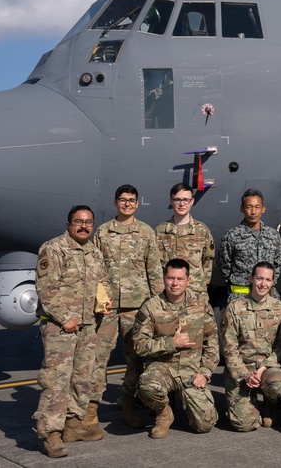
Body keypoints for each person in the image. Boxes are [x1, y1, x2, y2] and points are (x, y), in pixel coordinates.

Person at [32, 205, 111, 458]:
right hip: (60, 328)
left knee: (82, 378)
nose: (84, 226)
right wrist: (65, 318)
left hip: (88, 325)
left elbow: (102, 282)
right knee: (57, 380)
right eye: (78, 221)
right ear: (68, 224)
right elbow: (46, 288)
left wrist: (104, 301)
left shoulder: (95, 253)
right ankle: (50, 433)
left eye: (88, 222)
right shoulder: (53, 248)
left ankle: (74, 425)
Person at [91, 184, 160, 430]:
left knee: (135, 360)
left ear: (137, 203)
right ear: (115, 202)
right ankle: (91, 412)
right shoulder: (101, 232)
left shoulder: (145, 232)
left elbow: (154, 270)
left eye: (131, 200)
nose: (127, 204)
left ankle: (129, 408)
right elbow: (95, 269)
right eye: (123, 199)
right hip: (107, 308)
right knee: (98, 359)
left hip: (136, 307)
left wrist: (157, 305)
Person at [132, 258, 219, 438]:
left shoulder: (200, 305)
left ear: (188, 280)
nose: (174, 283)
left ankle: (190, 405)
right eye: (171, 278)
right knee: (148, 385)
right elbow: (139, 346)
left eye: (180, 279)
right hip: (164, 368)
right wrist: (172, 344)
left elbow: (212, 342)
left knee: (204, 425)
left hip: (192, 370)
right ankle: (164, 413)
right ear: (164, 278)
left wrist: (205, 372)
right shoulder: (151, 307)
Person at [220, 261, 281, 431]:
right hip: (241, 369)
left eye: (267, 280)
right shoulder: (235, 308)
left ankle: (270, 403)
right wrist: (245, 374)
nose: (263, 284)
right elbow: (229, 348)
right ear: (251, 279)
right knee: (244, 425)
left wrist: (263, 368)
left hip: (267, 368)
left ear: (273, 282)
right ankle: (249, 405)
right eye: (259, 278)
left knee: (279, 386)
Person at [218, 189, 281, 305]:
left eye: (257, 207)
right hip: (240, 298)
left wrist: (267, 282)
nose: (253, 212)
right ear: (242, 209)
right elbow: (224, 264)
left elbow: (277, 264)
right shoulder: (232, 236)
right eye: (249, 207)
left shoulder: (273, 236)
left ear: (263, 209)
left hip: (267, 297)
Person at [154, 183, 215, 294]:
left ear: (192, 202)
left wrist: (201, 287)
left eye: (186, 200)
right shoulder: (160, 231)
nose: (182, 204)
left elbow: (207, 263)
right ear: (171, 201)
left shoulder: (202, 231)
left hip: (195, 292)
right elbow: (155, 264)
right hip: (168, 292)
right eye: (177, 199)